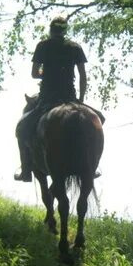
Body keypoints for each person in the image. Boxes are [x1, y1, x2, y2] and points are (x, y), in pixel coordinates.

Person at [14, 17, 88, 182]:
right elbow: (83, 76)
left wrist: (46, 73)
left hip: (47, 97)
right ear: (65, 30)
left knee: (22, 128)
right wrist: (81, 100)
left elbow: (34, 74)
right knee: (99, 119)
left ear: (51, 30)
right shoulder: (75, 47)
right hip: (69, 97)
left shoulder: (43, 46)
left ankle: (26, 170)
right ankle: (91, 166)